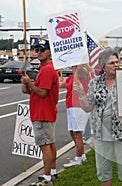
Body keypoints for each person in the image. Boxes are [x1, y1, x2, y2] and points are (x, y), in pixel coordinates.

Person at [73, 48, 122, 186]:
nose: (116, 65)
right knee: (104, 173)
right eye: (112, 63)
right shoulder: (95, 83)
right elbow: (88, 107)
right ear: (103, 66)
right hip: (101, 134)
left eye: (117, 62)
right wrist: (81, 94)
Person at [21, 40, 59, 186]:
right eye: (37, 49)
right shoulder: (44, 69)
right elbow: (39, 91)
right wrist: (28, 88)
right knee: (50, 144)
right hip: (45, 111)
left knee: (45, 146)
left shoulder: (48, 69)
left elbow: (43, 93)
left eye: (43, 49)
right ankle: (52, 172)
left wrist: (30, 84)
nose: (39, 51)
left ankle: (47, 177)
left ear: (50, 52)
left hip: (43, 113)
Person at [59, 64, 94, 168]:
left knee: (77, 133)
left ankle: (78, 159)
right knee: (72, 132)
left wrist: (78, 63)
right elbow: (61, 84)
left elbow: (85, 70)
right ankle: (82, 155)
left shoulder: (83, 75)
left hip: (79, 106)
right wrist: (59, 79)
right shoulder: (71, 77)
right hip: (70, 106)